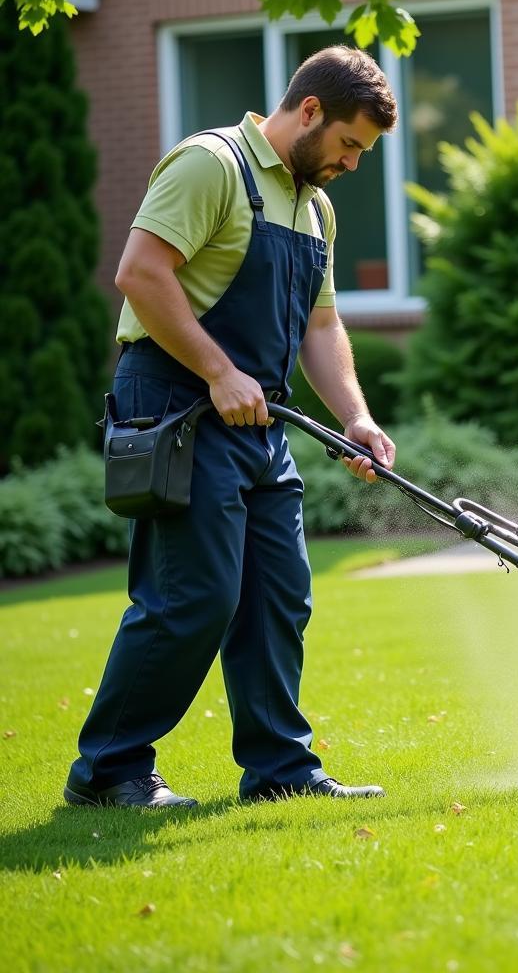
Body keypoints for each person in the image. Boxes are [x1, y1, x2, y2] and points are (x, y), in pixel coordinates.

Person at [64, 46, 399, 808]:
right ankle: (107, 772)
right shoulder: (210, 164)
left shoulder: (316, 206)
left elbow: (320, 323)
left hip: (258, 416)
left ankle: (282, 770)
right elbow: (140, 273)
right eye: (349, 144)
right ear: (309, 111)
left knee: (278, 593)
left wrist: (355, 416)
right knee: (195, 596)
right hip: (177, 405)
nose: (352, 163)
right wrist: (218, 372)